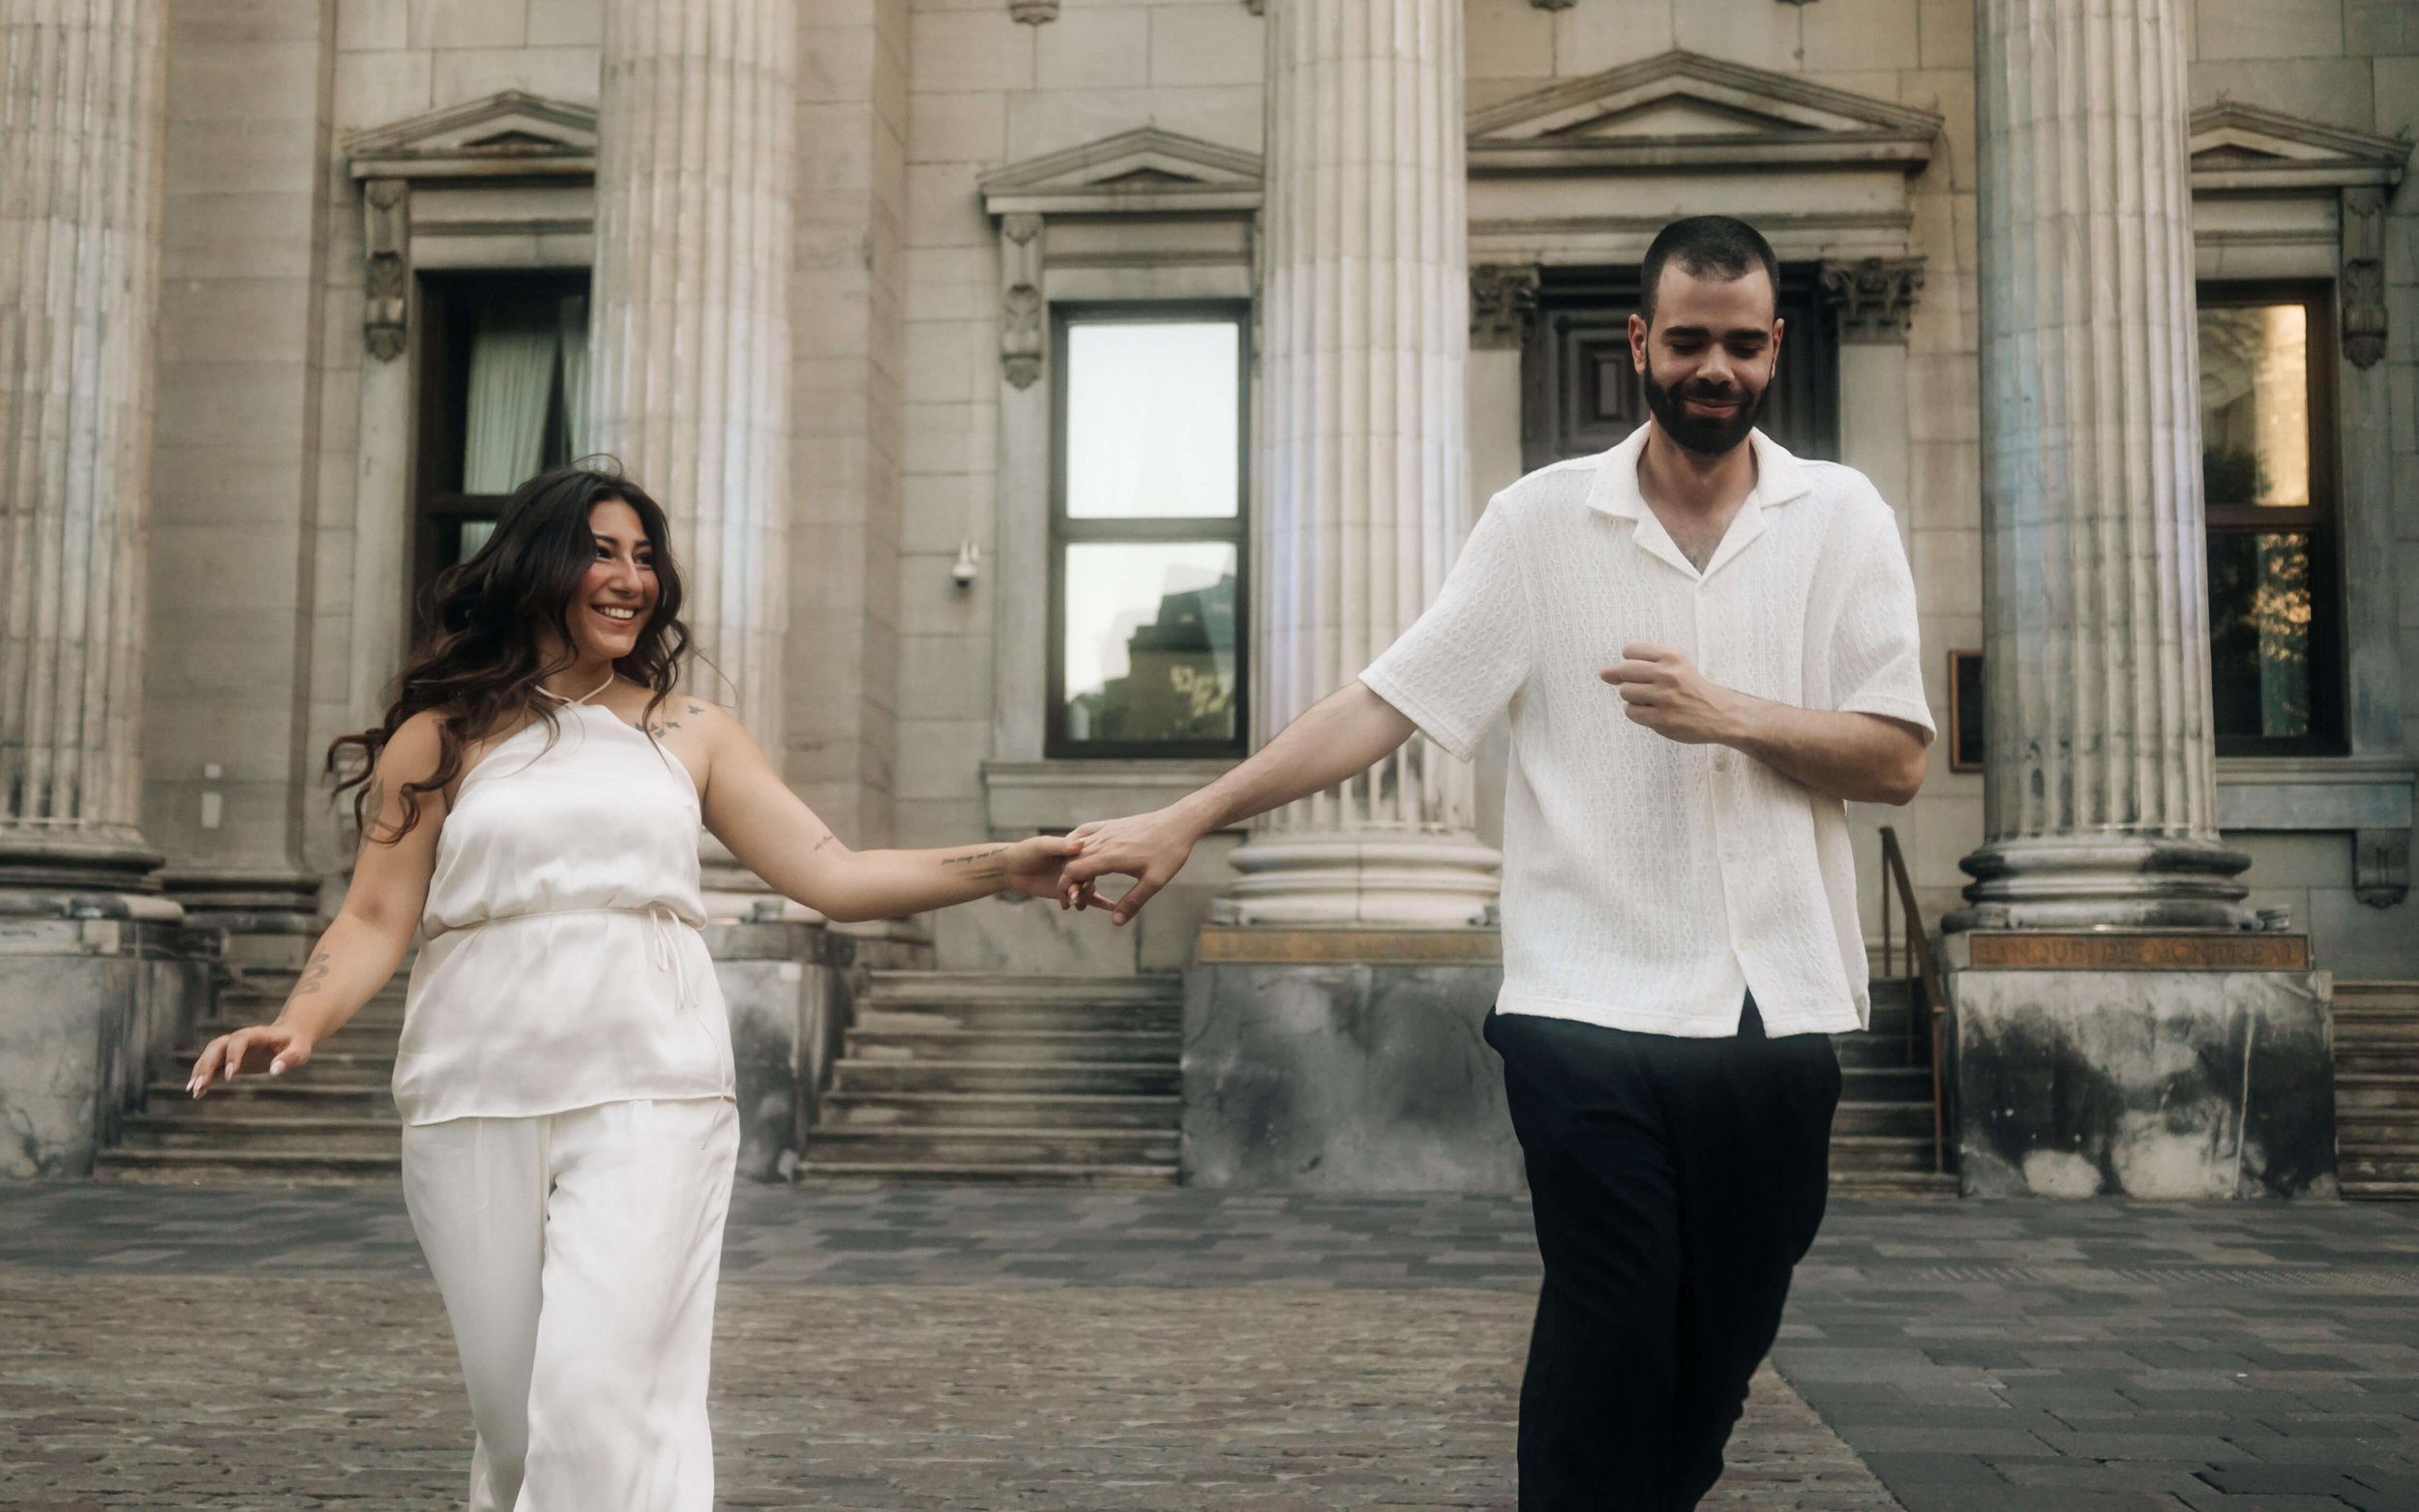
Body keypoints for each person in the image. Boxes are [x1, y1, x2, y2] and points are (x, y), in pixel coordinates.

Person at [1060, 215, 1931, 1511]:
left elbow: (1898, 755)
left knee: (1719, 1348)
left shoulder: (1841, 516)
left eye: (1742, 345)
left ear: (1776, 347)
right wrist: (1194, 813)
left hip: (1775, 1007)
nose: (1715, 369)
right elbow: (1385, 699)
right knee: (1612, 1321)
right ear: (1640, 340)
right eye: (1687, 340)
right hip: (1585, 1004)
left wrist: (1732, 712)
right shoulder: (1538, 524)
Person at [186, 465, 1077, 1511]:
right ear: (538, 566)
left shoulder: (687, 729)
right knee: (518, 1424)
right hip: (473, 1086)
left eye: (645, 556)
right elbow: (377, 914)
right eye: (602, 552)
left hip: (653, 1086)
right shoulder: (442, 736)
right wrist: (297, 1019)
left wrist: (1005, 864)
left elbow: (831, 872)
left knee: (596, 1397)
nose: (630, 578)